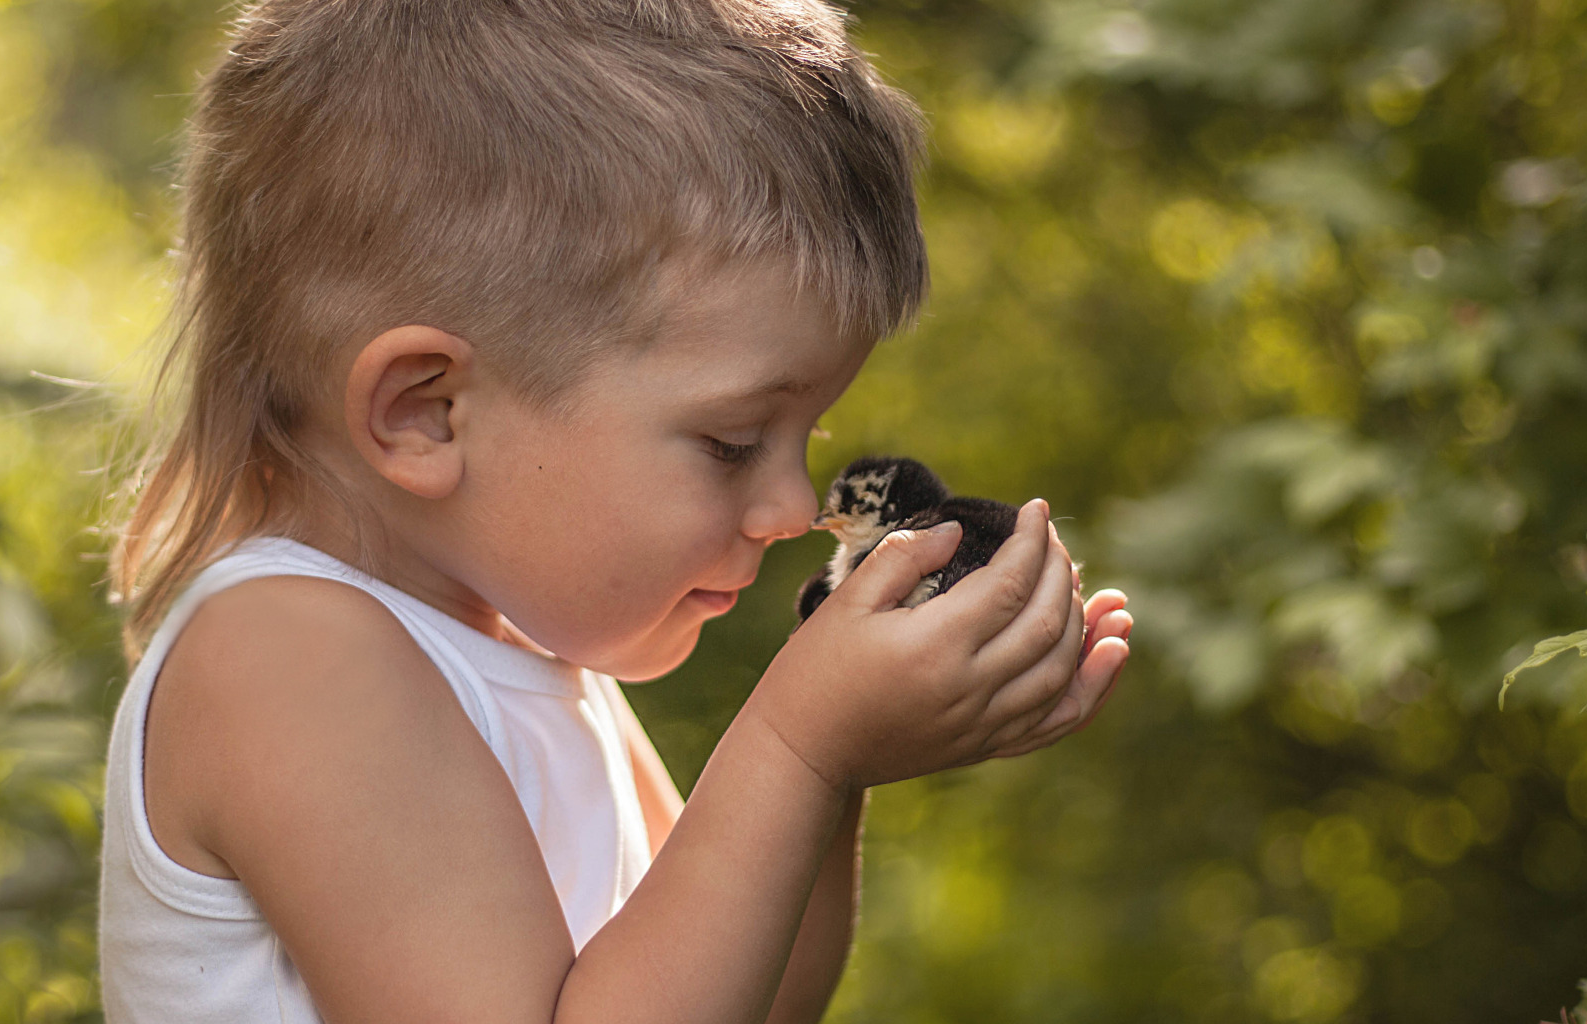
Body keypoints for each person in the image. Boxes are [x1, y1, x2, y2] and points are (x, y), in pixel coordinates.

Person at [95, 1, 1136, 1021]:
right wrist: (799, 745)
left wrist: (835, 770)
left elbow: (748, 1000)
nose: (786, 507)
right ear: (426, 413)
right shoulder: (289, 657)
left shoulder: (528, 655)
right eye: (731, 441)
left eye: (801, 439)